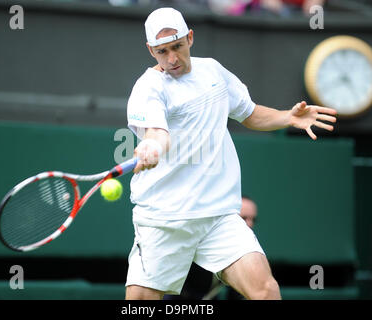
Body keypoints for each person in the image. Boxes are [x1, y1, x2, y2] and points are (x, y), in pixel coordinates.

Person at [125, 7, 337, 300]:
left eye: (177, 46)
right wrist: (150, 147)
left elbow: (249, 114)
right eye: (162, 51)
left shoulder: (213, 71)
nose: (172, 58)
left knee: (265, 291)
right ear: (151, 50)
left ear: (190, 37)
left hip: (218, 214)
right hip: (165, 217)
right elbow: (157, 134)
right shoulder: (148, 89)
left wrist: (287, 117)